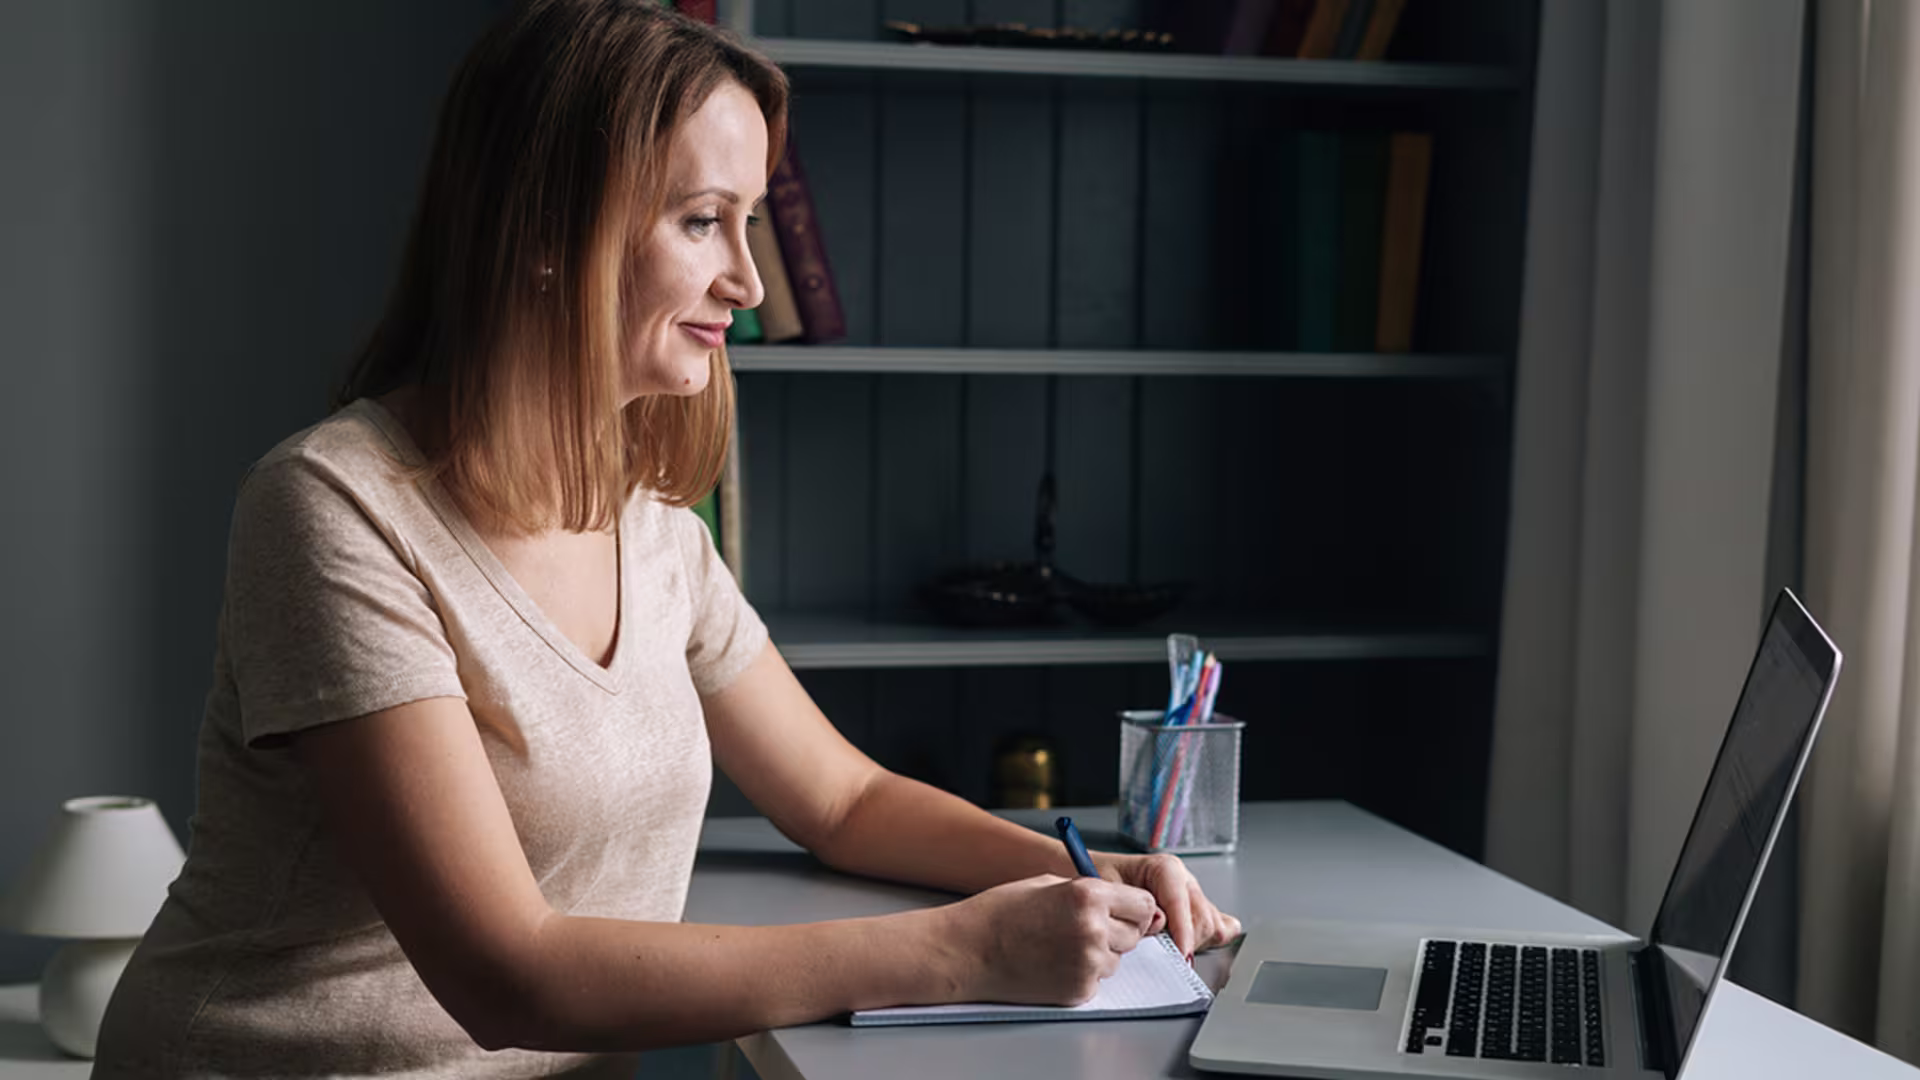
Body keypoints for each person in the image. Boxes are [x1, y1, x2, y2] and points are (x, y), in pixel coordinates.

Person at [93, 2, 1240, 1076]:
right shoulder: (331, 509)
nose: (745, 279)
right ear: (551, 228)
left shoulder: (656, 531)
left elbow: (840, 799)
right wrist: (966, 952)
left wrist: (1087, 876)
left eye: (747, 223)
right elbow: (506, 976)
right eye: (703, 222)